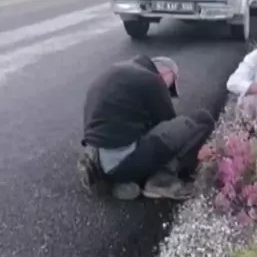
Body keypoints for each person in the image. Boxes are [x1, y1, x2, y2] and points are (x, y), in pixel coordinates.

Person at [78, 55, 216, 200]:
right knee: (201, 120)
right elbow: (169, 127)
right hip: (123, 164)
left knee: (140, 137)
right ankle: (162, 180)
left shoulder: (117, 74)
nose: (168, 92)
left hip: (96, 159)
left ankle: (119, 181)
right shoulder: (153, 80)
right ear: (167, 73)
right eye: (170, 86)